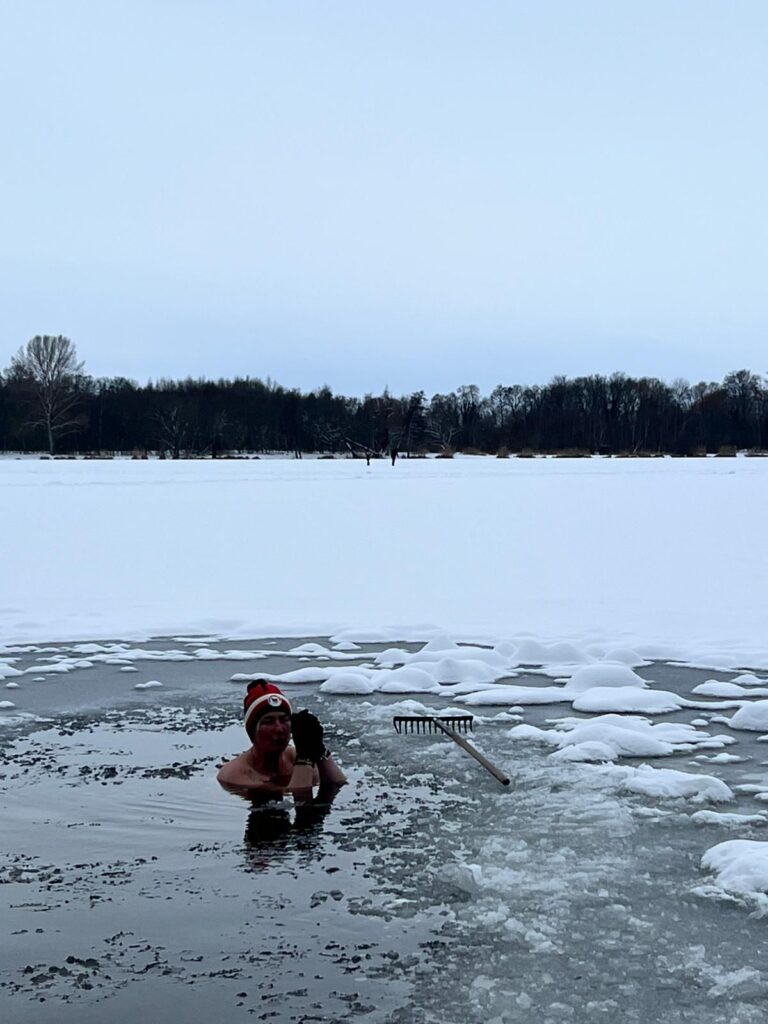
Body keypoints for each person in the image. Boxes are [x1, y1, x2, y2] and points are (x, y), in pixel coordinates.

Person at [217, 680, 347, 801]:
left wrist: (319, 749)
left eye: (284, 720)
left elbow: (338, 784)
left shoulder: (294, 755)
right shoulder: (236, 774)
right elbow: (301, 799)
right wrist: (304, 759)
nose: (279, 729)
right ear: (252, 731)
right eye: (268, 721)